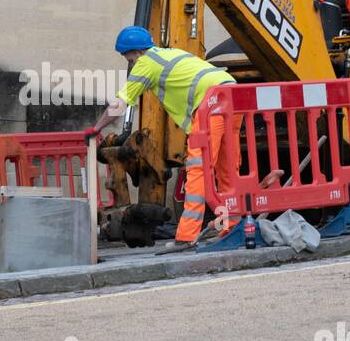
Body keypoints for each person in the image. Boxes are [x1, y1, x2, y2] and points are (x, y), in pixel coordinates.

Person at [89, 26, 239, 248]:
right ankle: (232, 227)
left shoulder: (145, 63)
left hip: (210, 104)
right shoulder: (169, 54)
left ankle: (186, 236)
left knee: (198, 168)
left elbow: (118, 105)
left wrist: (96, 128)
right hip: (233, 95)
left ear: (135, 52)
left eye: (126, 56)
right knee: (227, 169)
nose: (127, 61)